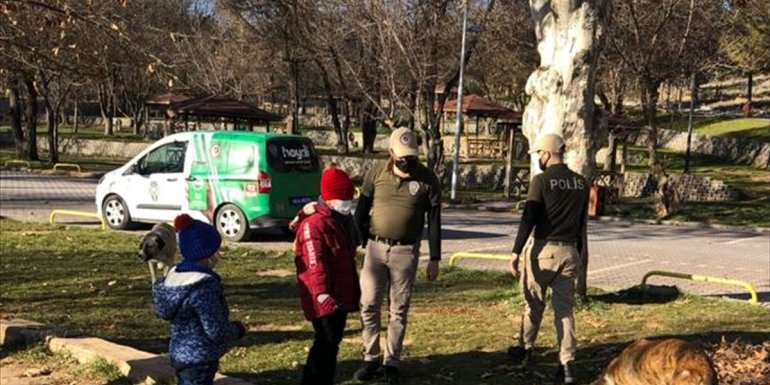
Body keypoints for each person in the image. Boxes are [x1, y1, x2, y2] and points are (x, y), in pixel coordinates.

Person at [353, 127, 442, 384]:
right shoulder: (376, 172)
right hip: (376, 249)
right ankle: (370, 357)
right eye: (403, 157)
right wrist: (358, 240)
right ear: (391, 152)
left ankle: (391, 362)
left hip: (406, 251)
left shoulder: (427, 179)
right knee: (368, 304)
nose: (408, 161)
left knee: (398, 309)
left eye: (412, 156)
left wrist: (434, 258)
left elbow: (434, 221)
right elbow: (361, 210)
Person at [507, 133, 589, 385]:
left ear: (546, 153)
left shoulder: (540, 181)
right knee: (564, 311)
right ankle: (566, 365)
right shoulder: (581, 183)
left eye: (538, 154)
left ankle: (525, 349)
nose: (538, 159)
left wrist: (516, 252)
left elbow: (529, 217)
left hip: (543, 250)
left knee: (533, 304)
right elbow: (582, 224)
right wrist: (580, 253)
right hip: (570, 252)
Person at [152, 214, 246, 385]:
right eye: (215, 251)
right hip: (201, 357)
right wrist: (237, 330)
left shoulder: (173, 281)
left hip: (180, 354)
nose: (218, 255)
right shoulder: (202, 288)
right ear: (206, 255)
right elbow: (215, 329)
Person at [294, 166, 361, 385]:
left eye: (349, 199)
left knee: (331, 345)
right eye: (344, 199)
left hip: (338, 294)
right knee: (325, 343)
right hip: (324, 298)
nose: (348, 204)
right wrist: (322, 294)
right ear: (330, 200)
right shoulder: (314, 226)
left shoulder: (339, 221)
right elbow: (315, 265)